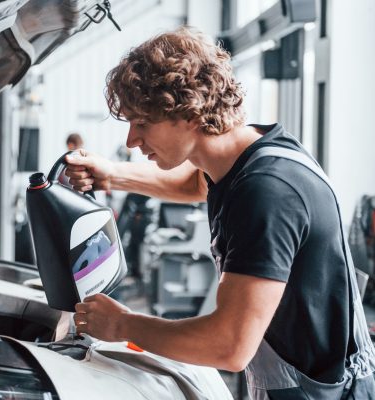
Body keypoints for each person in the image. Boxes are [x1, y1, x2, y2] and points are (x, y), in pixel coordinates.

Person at [65, 26, 375, 399]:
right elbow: (196, 184)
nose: (131, 140)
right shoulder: (250, 153)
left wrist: (122, 325)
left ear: (190, 112)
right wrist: (113, 175)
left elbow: (228, 345)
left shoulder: (267, 192)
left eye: (143, 123)